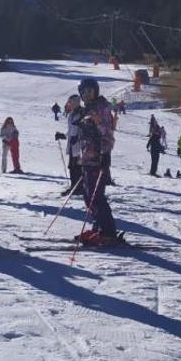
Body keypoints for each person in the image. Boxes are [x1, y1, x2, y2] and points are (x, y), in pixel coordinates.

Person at [73, 78, 120, 245]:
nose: (86, 94)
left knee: (96, 197)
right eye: (83, 92)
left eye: (89, 91)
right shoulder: (89, 109)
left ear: (96, 91)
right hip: (87, 158)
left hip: (98, 158)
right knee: (88, 196)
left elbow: (107, 132)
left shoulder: (101, 108)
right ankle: (98, 228)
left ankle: (108, 232)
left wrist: (105, 153)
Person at [56, 94, 84, 196]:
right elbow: (70, 130)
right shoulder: (71, 115)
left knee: (79, 166)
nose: (69, 104)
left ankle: (80, 187)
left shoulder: (82, 113)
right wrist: (63, 135)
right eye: (69, 103)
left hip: (81, 145)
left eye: (71, 102)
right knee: (72, 166)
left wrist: (78, 137)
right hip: (72, 145)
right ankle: (74, 186)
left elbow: (84, 128)